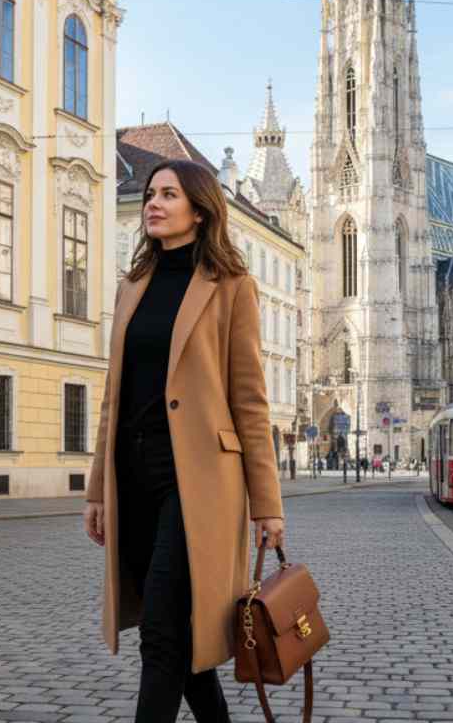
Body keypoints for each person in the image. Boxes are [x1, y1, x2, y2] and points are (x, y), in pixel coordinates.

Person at [83, 159, 285, 723]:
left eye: (168, 194)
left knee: (162, 630)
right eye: (150, 193)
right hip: (135, 473)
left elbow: (249, 401)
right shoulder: (132, 288)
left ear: (198, 210)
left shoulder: (232, 287)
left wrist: (267, 505)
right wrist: (98, 490)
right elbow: (111, 397)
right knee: (182, 634)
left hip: (199, 481)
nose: (153, 202)